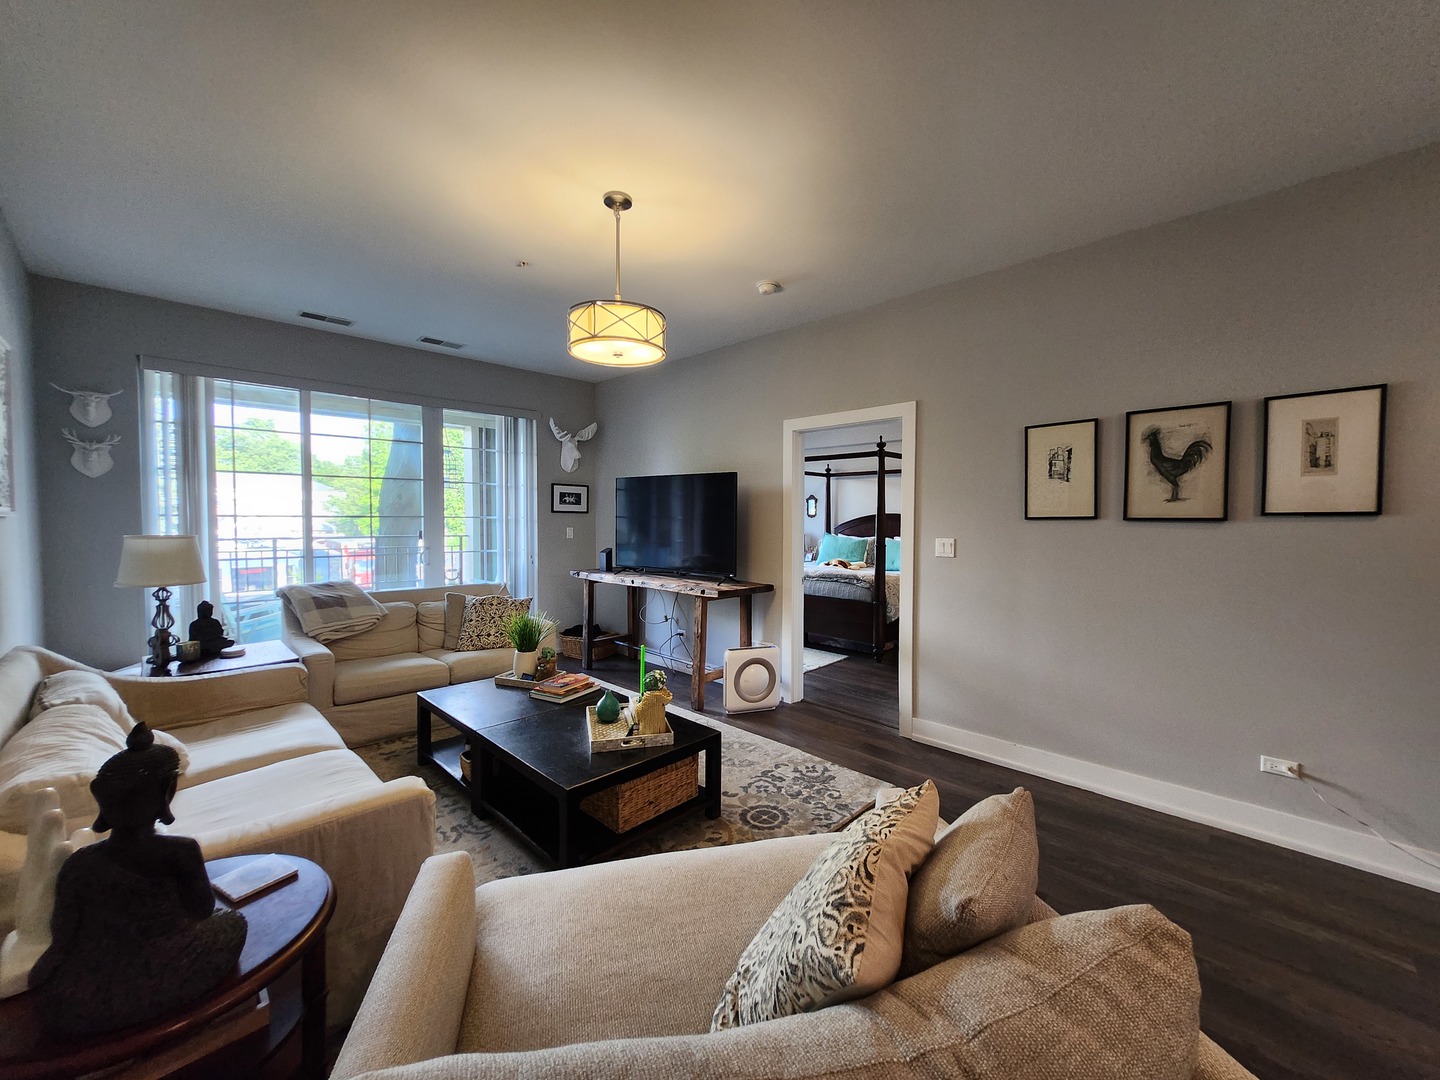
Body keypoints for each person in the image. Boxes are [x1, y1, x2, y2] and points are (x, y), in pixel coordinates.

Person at [28, 724, 247, 1035]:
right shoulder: (180, 851)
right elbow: (202, 910)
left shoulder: (79, 862)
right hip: (163, 965)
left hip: (86, 991)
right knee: (233, 922)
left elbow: (62, 934)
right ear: (163, 793)